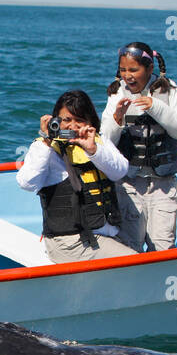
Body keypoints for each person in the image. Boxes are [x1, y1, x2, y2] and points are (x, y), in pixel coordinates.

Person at [16, 89, 134, 262]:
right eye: (66, 120)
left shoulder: (98, 142)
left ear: (90, 121)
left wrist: (93, 150)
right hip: (70, 242)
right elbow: (26, 183)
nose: (72, 126)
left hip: (101, 235)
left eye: (79, 120)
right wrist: (47, 141)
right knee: (134, 260)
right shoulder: (46, 148)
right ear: (55, 121)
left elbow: (120, 171)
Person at [98, 42, 177, 252]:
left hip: (163, 184)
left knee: (162, 244)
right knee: (129, 244)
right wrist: (116, 119)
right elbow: (106, 141)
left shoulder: (168, 90)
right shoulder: (116, 94)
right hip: (129, 184)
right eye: (123, 70)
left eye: (134, 70)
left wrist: (156, 107)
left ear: (149, 69)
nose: (128, 76)